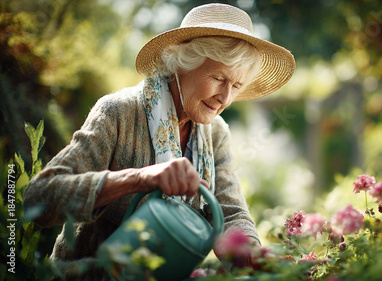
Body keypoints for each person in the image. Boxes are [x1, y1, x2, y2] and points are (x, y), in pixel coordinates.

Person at [23, 3, 295, 280]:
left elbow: (230, 212)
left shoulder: (215, 132)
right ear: (182, 65)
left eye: (236, 86)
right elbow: (39, 197)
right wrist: (139, 178)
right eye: (218, 78)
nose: (224, 98)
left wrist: (250, 252)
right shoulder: (120, 112)